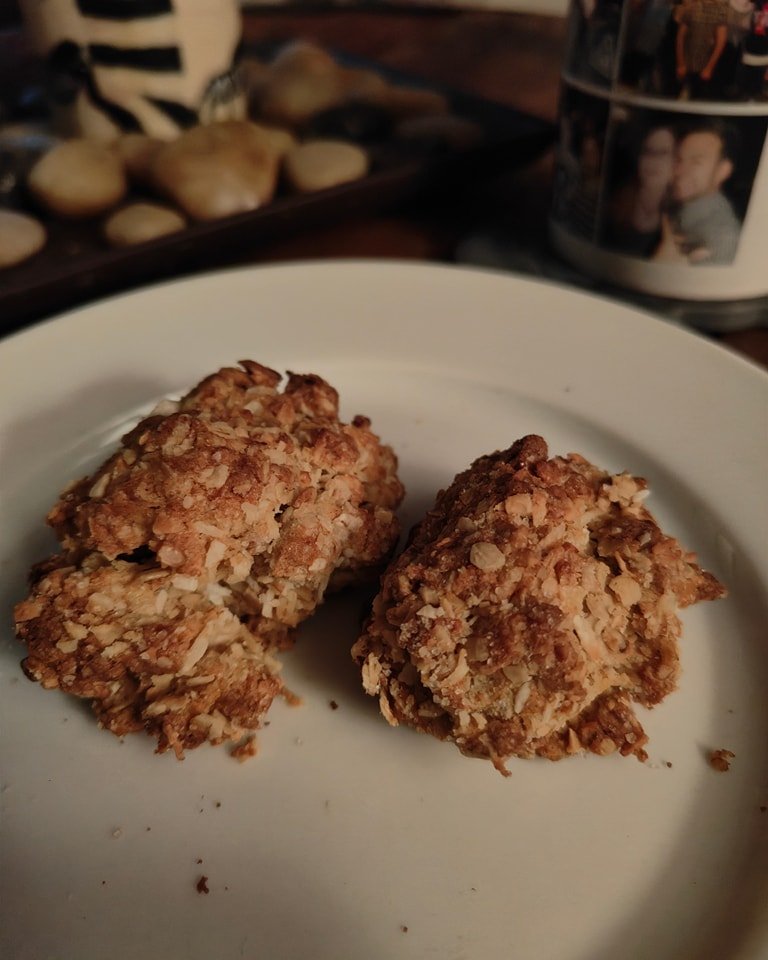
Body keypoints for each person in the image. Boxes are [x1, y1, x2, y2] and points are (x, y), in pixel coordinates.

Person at [653, 119, 741, 264]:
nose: (680, 171)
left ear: (722, 171)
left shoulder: (723, 236)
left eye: (696, 162)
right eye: (680, 159)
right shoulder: (675, 210)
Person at [608, 123, 677, 256]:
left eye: (662, 153)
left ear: (675, 162)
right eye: (648, 151)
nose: (653, 160)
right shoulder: (617, 202)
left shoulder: (681, 216)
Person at [676, 0, 730, 98]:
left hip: (704, 64)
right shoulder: (692, 7)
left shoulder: (721, 10)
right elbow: (681, 36)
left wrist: (709, 67)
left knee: (697, 98)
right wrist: (681, 63)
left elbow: (721, 42)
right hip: (687, 61)